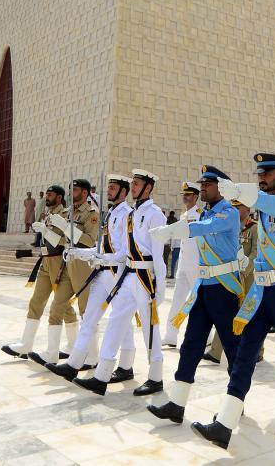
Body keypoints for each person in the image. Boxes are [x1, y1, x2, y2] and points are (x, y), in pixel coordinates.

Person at [192, 153, 275, 450]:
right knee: (245, 354)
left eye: (268, 173)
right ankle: (225, 423)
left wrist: (241, 192)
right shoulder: (263, 206)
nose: (262, 177)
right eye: (259, 173)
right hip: (261, 291)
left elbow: (272, 206)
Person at [147, 165, 247, 425]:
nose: (202, 188)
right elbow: (198, 225)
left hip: (224, 288)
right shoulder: (205, 212)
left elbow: (204, 228)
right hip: (204, 287)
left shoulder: (228, 213)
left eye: (207, 185)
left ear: (221, 188)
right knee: (190, 345)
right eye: (201, 184)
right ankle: (177, 404)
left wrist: (170, 231)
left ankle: (236, 404)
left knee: (232, 348)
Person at [73, 169, 167, 396]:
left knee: (150, 327)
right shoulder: (132, 215)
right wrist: (99, 257)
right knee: (116, 321)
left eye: (137, 184)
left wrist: (161, 286)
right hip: (129, 275)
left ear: (148, 188)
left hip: (146, 277)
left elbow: (159, 255)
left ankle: (156, 378)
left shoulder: (155, 215)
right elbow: (124, 251)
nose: (133, 187)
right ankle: (102, 376)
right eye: (132, 184)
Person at [46, 174, 138, 381]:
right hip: (102, 273)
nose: (109, 191)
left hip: (118, 274)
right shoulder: (110, 213)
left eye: (113, 188)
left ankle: (125, 366)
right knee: (89, 318)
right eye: (109, 187)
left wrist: (101, 258)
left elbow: (126, 252)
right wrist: (79, 253)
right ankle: (74, 364)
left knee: (122, 322)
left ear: (123, 191)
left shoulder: (127, 214)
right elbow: (100, 247)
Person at [2, 185, 78, 359]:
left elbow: (63, 241)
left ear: (59, 197)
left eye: (50, 195)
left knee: (63, 307)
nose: (47, 197)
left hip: (59, 262)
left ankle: (73, 346)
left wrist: (45, 231)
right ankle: (26, 345)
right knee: (36, 302)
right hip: (45, 261)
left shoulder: (65, 215)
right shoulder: (48, 214)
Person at [32, 178, 100, 366]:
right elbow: (63, 241)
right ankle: (51, 354)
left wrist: (65, 227)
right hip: (67, 263)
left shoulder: (92, 214)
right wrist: (46, 232)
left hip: (83, 265)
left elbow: (89, 240)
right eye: (70, 189)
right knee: (56, 307)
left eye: (75, 190)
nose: (71, 193)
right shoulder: (68, 212)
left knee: (86, 312)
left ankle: (93, 357)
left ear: (85, 193)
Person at [204, 199, 265, 364]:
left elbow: (256, 253)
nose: (235, 210)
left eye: (238, 207)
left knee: (250, 314)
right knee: (226, 312)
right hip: (231, 276)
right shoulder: (230, 226)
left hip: (248, 278)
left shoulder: (255, 228)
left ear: (248, 209)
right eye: (233, 207)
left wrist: (245, 269)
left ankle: (257, 351)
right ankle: (216, 351)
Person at [163, 182, 204, 346]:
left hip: (196, 264)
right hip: (183, 264)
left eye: (188, 195)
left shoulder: (201, 215)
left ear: (196, 197)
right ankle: (171, 335)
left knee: (198, 302)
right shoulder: (183, 215)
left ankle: (207, 337)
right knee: (177, 300)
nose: (185, 198)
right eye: (184, 195)